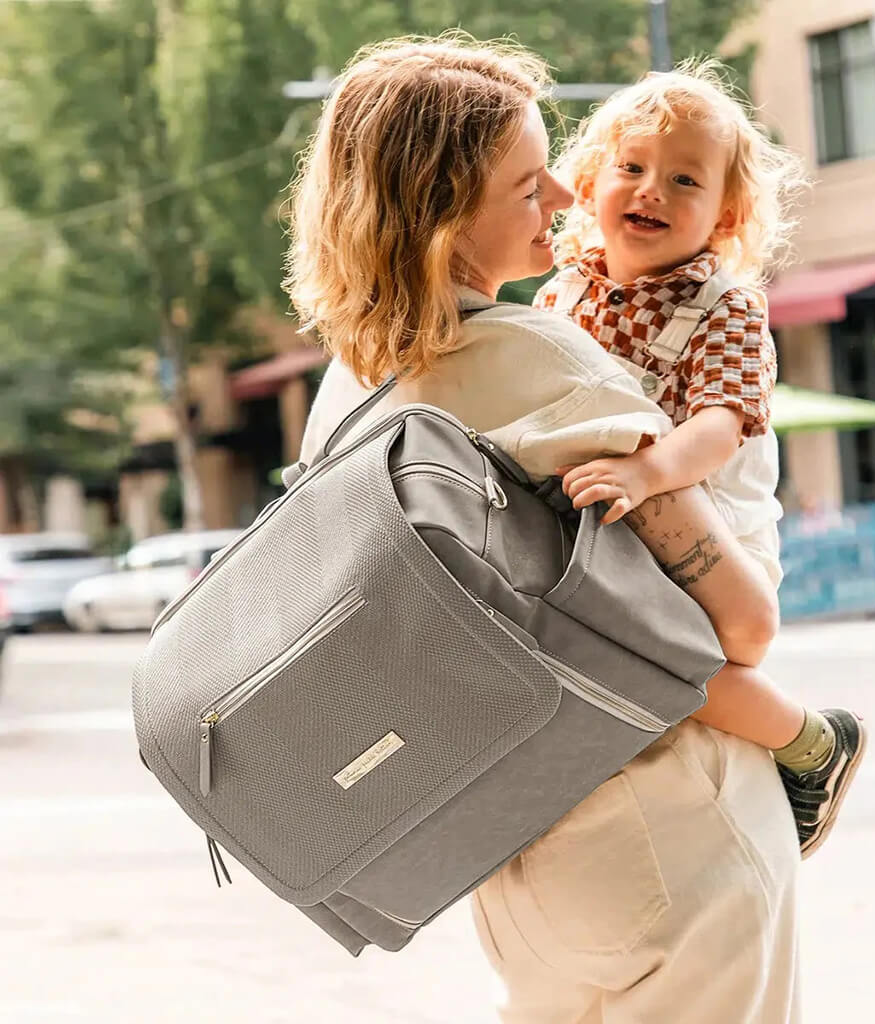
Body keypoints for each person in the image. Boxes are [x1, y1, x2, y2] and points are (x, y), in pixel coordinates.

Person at [286, 34, 800, 1023]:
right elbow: (744, 625)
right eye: (529, 185)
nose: (566, 202)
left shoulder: (347, 391)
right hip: (669, 828)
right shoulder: (537, 360)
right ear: (444, 210)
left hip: (514, 845)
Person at [534, 62, 865, 857]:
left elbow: (722, 423)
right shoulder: (561, 294)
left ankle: (811, 743)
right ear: (587, 180)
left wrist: (648, 471)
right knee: (599, 647)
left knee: (675, 657)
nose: (652, 190)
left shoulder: (725, 305)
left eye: (685, 179)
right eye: (632, 168)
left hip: (717, 528)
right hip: (620, 524)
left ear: (725, 213)